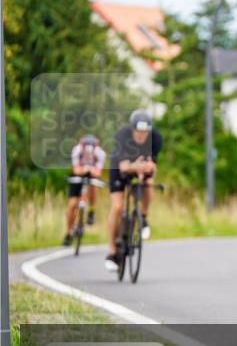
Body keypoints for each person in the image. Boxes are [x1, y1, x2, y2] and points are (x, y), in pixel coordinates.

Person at [104, 109, 163, 272]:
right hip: (119, 169)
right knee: (117, 207)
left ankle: (143, 218)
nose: (141, 136)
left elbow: (152, 167)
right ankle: (111, 251)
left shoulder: (156, 138)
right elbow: (124, 167)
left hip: (139, 169)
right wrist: (139, 166)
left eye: (144, 133)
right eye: (138, 132)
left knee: (149, 185)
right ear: (132, 130)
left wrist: (145, 171)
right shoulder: (122, 136)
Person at [63, 134, 106, 246]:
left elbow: (98, 172)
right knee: (72, 205)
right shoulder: (76, 150)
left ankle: (91, 210)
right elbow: (76, 169)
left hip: (91, 176)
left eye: (90, 153)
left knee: (93, 186)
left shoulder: (100, 153)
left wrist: (90, 170)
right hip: (78, 176)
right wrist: (85, 169)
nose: (88, 154)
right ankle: (68, 233)